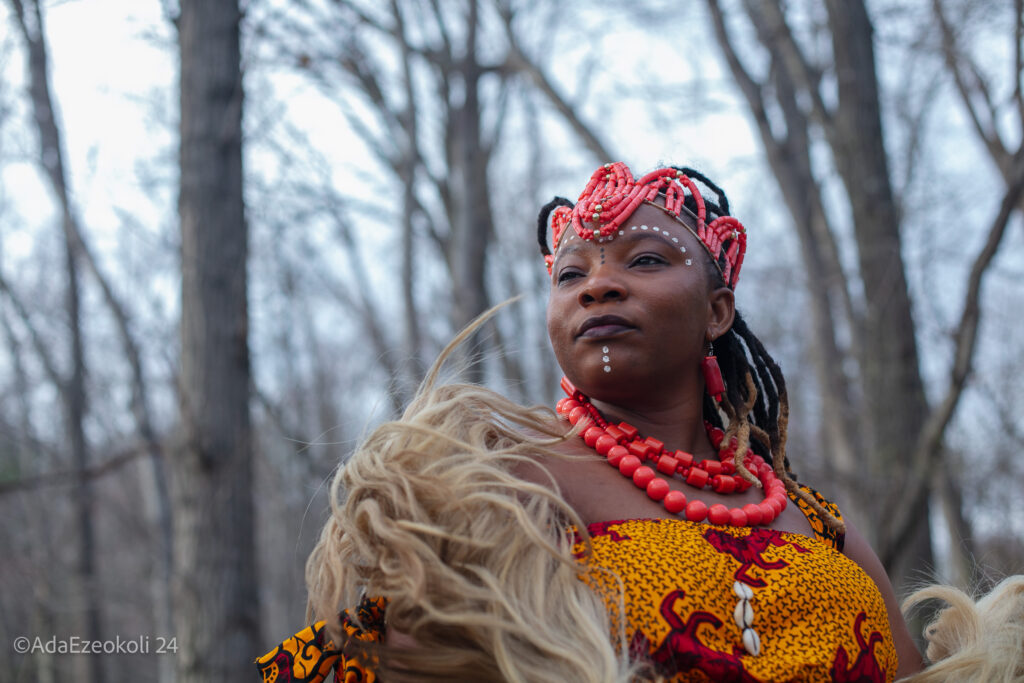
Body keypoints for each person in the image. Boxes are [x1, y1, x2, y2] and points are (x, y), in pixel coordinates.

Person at [256, 162, 923, 682]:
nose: (597, 285)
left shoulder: (815, 522)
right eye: (571, 272)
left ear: (718, 312)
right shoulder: (500, 488)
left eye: (646, 259)